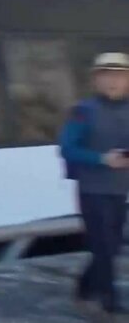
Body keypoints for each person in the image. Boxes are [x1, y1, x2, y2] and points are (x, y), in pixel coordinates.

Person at [59, 52, 129, 314]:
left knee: (112, 245)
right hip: (92, 189)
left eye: (120, 76)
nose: (113, 81)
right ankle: (108, 300)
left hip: (119, 189)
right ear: (95, 80)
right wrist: (102, 159)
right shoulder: (84, 111)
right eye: (106, 75)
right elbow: (67, 149)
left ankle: (85, 286)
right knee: (103, 245)